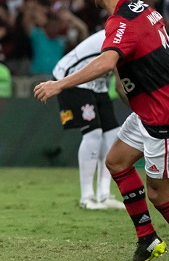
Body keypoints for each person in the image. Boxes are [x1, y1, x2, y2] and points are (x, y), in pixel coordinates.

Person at [35, 0, 169, 261]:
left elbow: (106, 62)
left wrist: (59, 85)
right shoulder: (144, 8)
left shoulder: (120, 22)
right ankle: (147, 238)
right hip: (150, 111)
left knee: (161, 194)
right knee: (116, 160)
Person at [51, 31, 125, 210]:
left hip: (97, 84)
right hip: (71, 79)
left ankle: (104, 195)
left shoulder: (127, 33)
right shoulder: (122, 37)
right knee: (93, 133)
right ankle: (87, 197)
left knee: (111, 135)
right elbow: (119, 84)